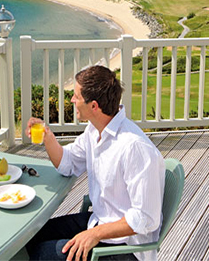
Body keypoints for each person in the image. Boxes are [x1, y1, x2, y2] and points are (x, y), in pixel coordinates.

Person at [26, 65, 165, 261]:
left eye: (76, 96)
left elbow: (146, 218)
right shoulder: (94, 131)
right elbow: (68, 164)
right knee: (31, 237)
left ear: (94, 106)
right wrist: (47, 137)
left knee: (43, 254)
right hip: (99, 222)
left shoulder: (135, 148)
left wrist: (94, 235)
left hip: (127, 248)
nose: (72, 100)